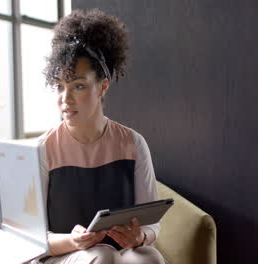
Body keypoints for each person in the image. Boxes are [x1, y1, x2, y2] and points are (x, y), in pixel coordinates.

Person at [37, 9, 165, 263]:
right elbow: (33, 239)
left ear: (103, 86)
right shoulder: (44, 148)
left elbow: (154, 224)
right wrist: (72, 241)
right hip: (64, 255)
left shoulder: (132, 143)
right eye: (60, 87)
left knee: (148, 257)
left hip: (119, 252)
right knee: (101, 256)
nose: (65, 99)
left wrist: (138, 237)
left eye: (78, 86)